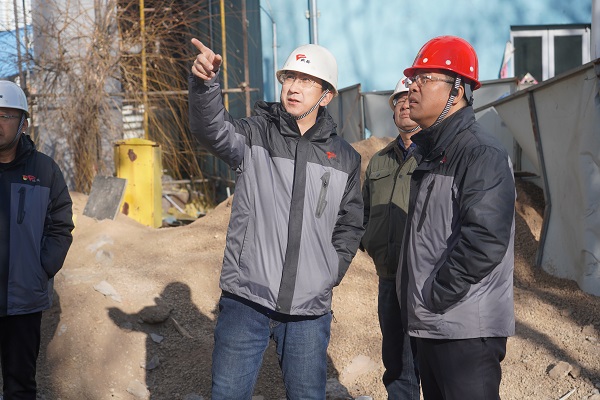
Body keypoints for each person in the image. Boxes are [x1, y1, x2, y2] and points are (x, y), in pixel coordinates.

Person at [188, 39, 364, 399]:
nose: (294, 87)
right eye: (289, 78)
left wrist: (329, 272)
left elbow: (350, 224)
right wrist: (205, 85)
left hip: (308, 312)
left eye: (306, 80)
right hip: (246, 300)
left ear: (326, 95)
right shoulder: (255, 135)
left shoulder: (345, 158)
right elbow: (211, 129)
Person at [397, 36, 515, 400]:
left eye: (426, 78)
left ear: (457, 91)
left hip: (464, 329)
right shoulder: (434, 151)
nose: (413, 87)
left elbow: (485, 239)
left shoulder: (479, 152)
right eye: (413, 78)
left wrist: (436, 294)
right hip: (435, 323)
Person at [0, 80, 74, 399]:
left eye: (6, 116)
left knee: (20, 387)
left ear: (24, 123)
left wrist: (41, 268)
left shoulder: (44, 170)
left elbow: (61, 225)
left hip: (23, 302)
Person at [361, 77, 420, 399]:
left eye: (411, 98)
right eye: (398, 100)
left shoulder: (438, 156)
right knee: (396, 363)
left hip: (427, 280)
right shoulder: (380, 160)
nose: (404, 105)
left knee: (433, 361)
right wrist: (369, 241)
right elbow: (364, 211)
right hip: (388, 277)